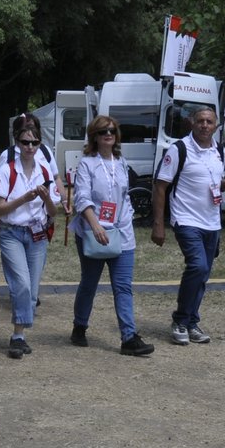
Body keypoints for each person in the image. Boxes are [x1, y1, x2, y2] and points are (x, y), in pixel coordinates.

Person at [69, 116, 153, 357]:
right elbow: (82, 198)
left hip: (121, 232)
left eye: (112, 130)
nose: (109, 134)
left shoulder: (122, 162)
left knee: (123, 287)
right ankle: (80, 326)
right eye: (103, 131)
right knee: (89, 283)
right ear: (94, 136)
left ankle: (129, 338)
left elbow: (124, 197)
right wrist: (96, 226)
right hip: (94, 231)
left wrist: (126, 220)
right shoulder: (87, 164)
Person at [152, 105, 225, 345]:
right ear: (192, 122)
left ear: (216, 125)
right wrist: (158, 224)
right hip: (186, 219)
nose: (205, 126)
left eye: (210, 122)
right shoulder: (179, 149)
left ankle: (191, 322)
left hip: (212, 221)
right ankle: (180, 320)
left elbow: (213, 181)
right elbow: (160, 186)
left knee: (203, 274)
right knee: (197, 266)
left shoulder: (220, 150)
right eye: (200, 121)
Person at [0, 114, 58, 359]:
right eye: (25, 142)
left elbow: (53, 211)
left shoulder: (45, 169)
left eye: (34, 143)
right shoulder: (7, 170)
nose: (30, 147)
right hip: (12, 233)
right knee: (22, 284)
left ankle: (19, 336)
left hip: (37, 234)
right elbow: (0, 209)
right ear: (17, 143)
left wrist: (46, 197)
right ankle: (18, 336)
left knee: (32, 291)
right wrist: (24, 198)